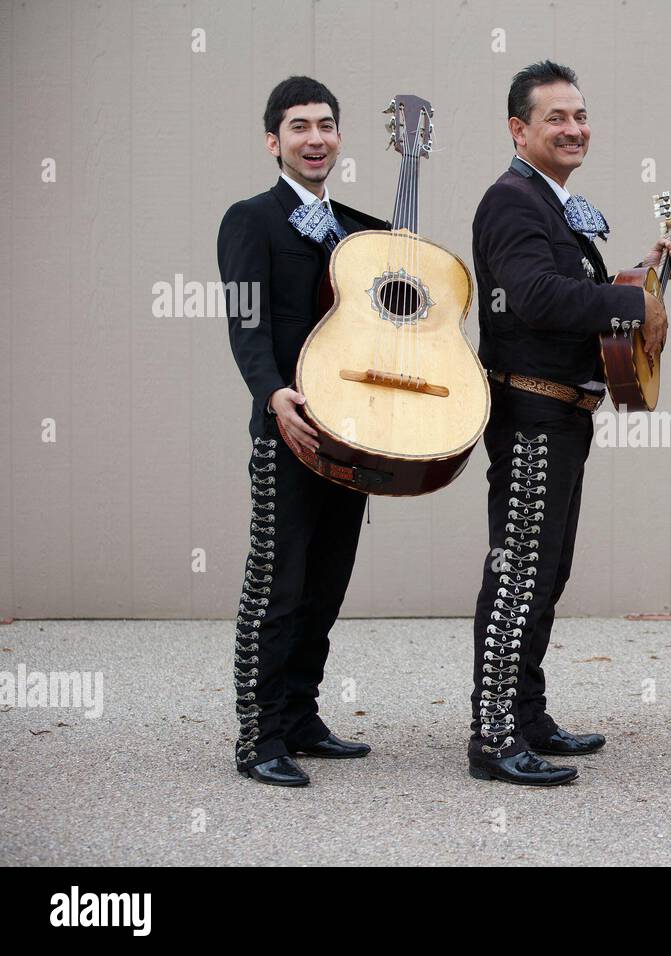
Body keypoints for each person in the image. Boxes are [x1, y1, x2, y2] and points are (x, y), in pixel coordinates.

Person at [466, 61, 671, 786]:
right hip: (530, 413)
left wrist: (642, 277)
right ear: (518, 129)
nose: (574, 128)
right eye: (556, 118)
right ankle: (494, 737)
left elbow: (575, 292)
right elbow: (532, 295)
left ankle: (526, 715)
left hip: (561, 413)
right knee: (519, 572)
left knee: (544, 571)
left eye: (580, 115)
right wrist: (630, 307)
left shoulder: (550, 203)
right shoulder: (512, 202)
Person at [218, 76, 388, 787]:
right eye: (298, 127)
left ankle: (302, 715)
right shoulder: (250, 219)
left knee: (326, 581)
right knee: (277, 584)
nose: (314, 138)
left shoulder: (364, 230)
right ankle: (259, 736)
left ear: (340, 137)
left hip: (353, 434)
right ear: (273, 142)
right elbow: (247, 323)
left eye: (325, 125)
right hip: (289, 428)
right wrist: (271, 394)